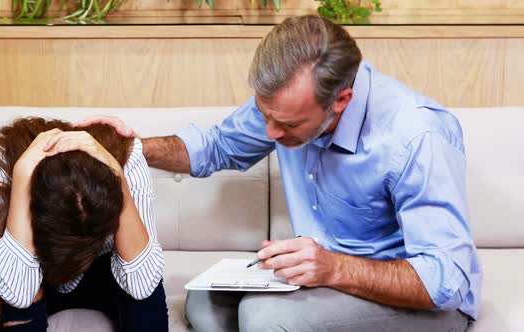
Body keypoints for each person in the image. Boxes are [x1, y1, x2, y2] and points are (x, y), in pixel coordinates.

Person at [79, 15, 481, 332]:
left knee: (264, 320)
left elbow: (446, 280)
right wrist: (131, 147)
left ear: (340, 100)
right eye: (265, 116)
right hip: (327, 280)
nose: (270, 134)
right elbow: (217, 146)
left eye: (286, 125)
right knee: (204, 301)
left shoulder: (416, 137)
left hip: (421, 303)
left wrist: (334, 267)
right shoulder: (286, 104)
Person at [0, 118, 168, 332]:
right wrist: (22, 179)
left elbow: (143, 284)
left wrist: (119, 179)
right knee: (11, 288)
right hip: (37, 274)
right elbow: (17, 293)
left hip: (103, 275)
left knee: (143, 278)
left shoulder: (126, 156)